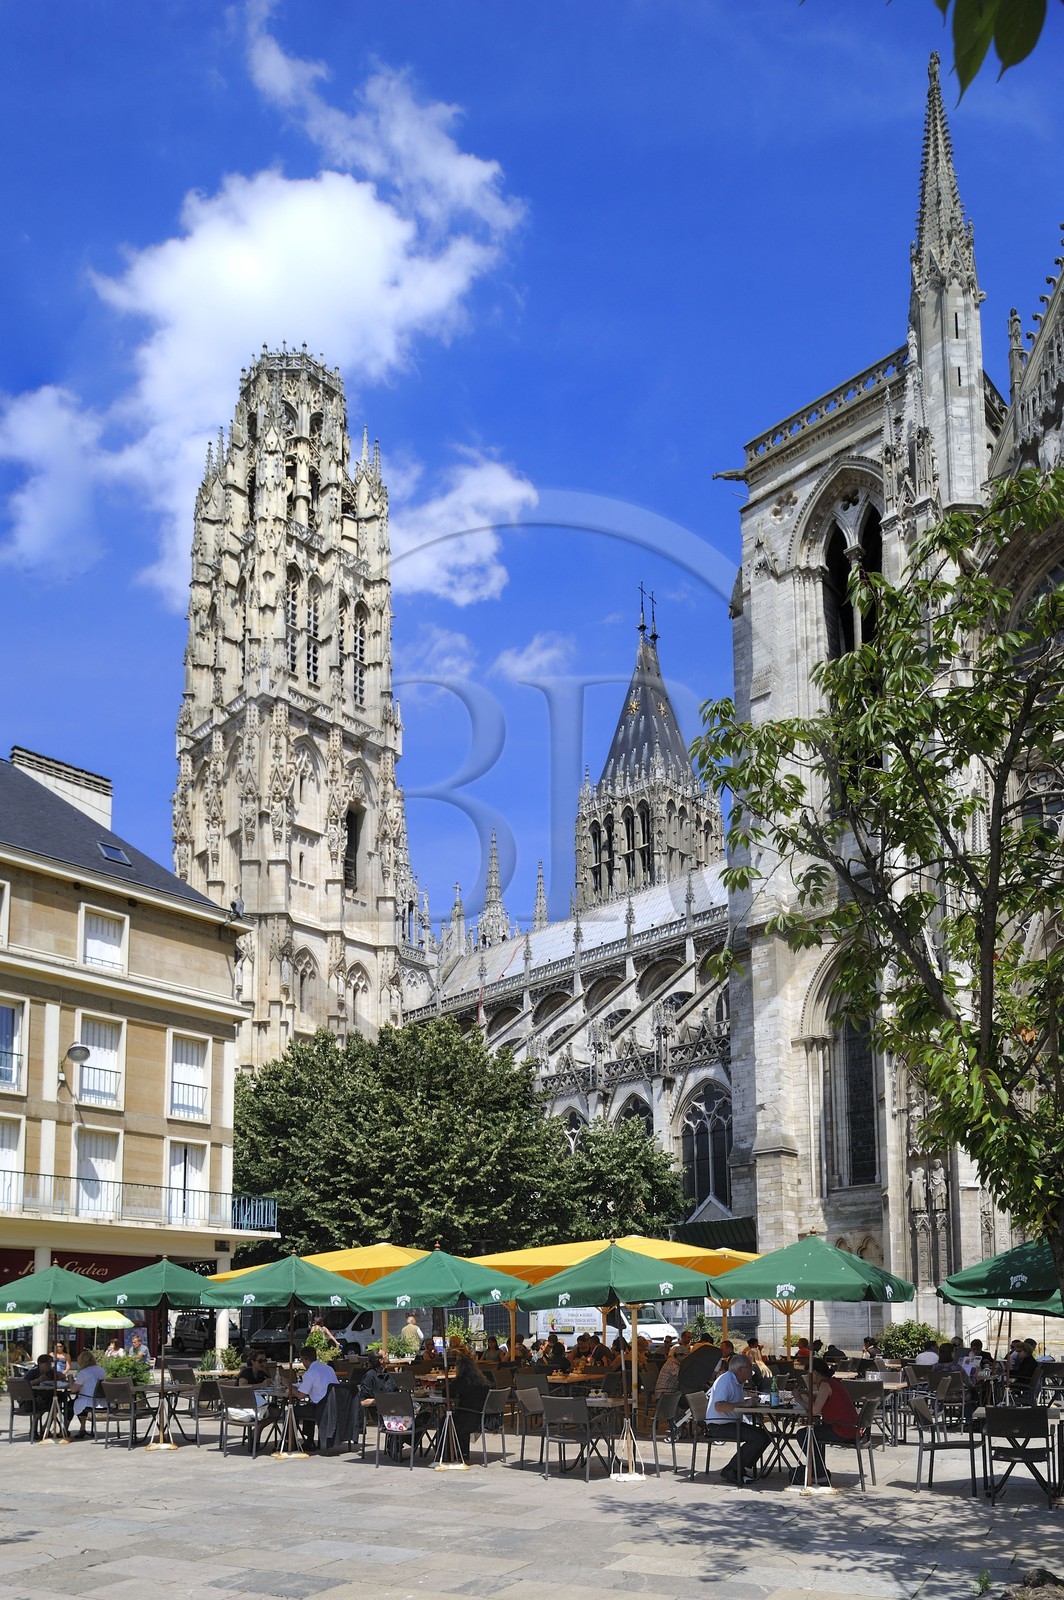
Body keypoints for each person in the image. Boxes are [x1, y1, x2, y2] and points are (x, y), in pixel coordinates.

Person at [704, 1353, 767, 1484]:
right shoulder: (726, 1380)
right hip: (718, 1425)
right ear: (740, 1370)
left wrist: (747, 1401)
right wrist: (743, 1404)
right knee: (757, 1438)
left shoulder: (737, 1381)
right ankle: (731, 1469)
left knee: (765, 1435)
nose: (752, 1370)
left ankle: (739, 1467)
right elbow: (719, 1406)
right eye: (750, 1367)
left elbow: (733, 1402)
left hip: (732, 1422)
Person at [797, 1358, 860, 1482]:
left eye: (808, 1374)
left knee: (803, 1434)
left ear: (814, 1373)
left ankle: (820, 1474)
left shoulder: (826, 1384)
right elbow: (823, 1399)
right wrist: (807, 1393)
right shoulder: (834, 1382)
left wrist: (799, 1399)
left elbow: (815, 1410)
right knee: (810, 1434)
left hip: (842, 1430)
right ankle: (818, 1470)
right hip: (851, 1428)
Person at [295, 1343, 339, 1448]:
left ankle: (290, 1440)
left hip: (321, 1408)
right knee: (308, 1406)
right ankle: (308, 1440)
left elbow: (300, 1396)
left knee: (292, 1411)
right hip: (333, 1405)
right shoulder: (329, 1369)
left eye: (302, 1360)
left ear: (305, 1359)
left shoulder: (310, 1373)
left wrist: (289, 1387)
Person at [450, 1350, 490, 1462]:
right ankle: (463, 1451)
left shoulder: (463, 1381)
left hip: (468, 1418)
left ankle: (448, 1452)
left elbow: (448, 1392)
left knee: (445, 1419)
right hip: (483, 1418)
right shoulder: (482, 1381)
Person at [67, 1348, 107, 1437]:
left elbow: (73, 1390)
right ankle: (82, 1429)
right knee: (79, 1400)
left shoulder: (84, 1372)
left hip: (89, 1401)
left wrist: (70, 1380)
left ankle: (65, 1429)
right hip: (102, 1401)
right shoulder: (101, 1369)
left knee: (69, 1405)